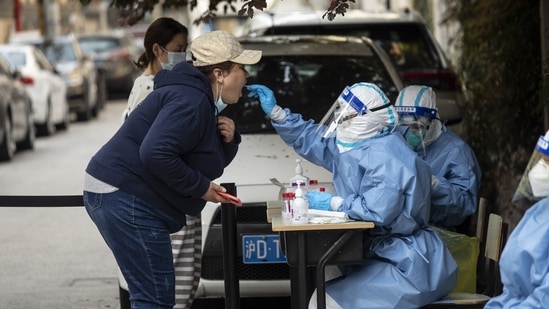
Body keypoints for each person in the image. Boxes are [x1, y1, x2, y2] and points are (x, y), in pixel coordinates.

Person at [83, 30, 261, 308]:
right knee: (154, 297)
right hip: (124, 195)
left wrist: (229, 141)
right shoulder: (191, 101)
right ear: (219, 74)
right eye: (241, 68)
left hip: (121, 193)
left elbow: (201, 163)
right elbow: (155, 153)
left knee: (155, 296)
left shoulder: (198, 99)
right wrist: (201, 188)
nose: (247, 76)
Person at [247, 82, 457, 308]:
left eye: (344, 117)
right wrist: (277, 113)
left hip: (408, 266)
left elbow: (377, 211)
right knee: (322, 288)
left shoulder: (388, 158)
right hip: (382, 255)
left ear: (363, 119)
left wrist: (335, 203)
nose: (339, 124)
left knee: (323, 303)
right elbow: (314, 140)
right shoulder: (360, 144)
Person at [120, 17, 202, 309]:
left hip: (171, 197)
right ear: (158, 50)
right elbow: (154, 152)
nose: (184, 55)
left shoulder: (150, 85)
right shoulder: (151, 89)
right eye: (179, 48)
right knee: (173, 286)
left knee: (183, 282)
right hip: (163, 200)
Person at [394, 85, 482, 231]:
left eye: (416, 127)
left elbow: (465, 207)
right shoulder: (397, 141)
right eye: (403, 127)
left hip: (440, 234)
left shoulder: (457, 152)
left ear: (433, 121)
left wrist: (433, 185)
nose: (408, 133)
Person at [484, 130, 549, 308]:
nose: (540, 169)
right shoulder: (540, 209)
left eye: (548, 162)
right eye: (541, 159)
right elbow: (514, 289)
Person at [122, 17, 188, 120]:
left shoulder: (166, 82)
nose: (182, 56)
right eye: (178, 50)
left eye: (184, 50)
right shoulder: (147, 88)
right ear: (157, 50)